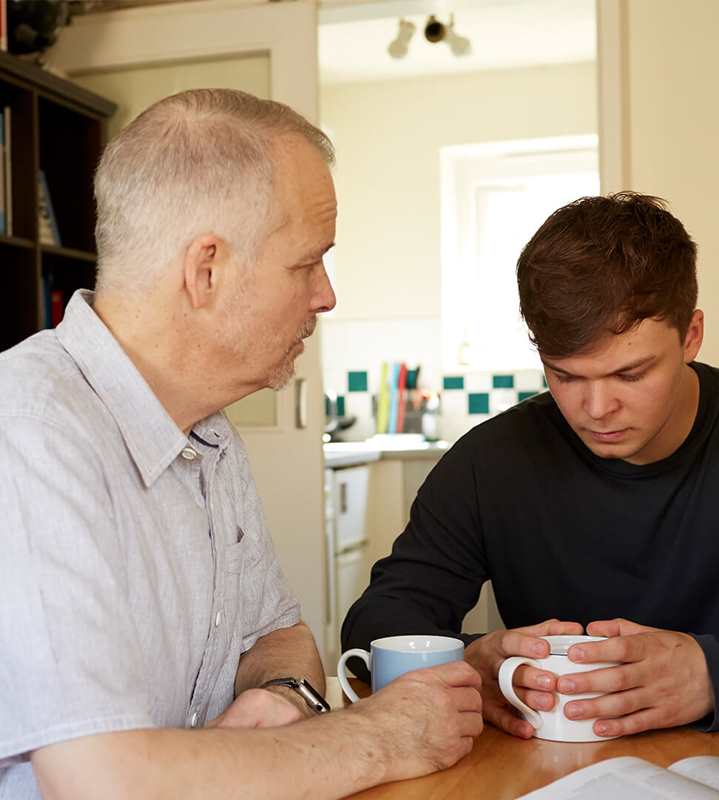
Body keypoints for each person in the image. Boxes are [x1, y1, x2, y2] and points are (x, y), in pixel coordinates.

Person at [0, 89, 483, 800]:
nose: (326, 296)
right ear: (207, 271)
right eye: (306, 264)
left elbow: (278, 637)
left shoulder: (207, 429)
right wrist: (379, 735)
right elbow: (101, 782)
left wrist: (285, 695)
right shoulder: (31, 432)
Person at [342, 192, 719, 740]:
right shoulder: (491, 461)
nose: (597, 409)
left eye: (630, 375)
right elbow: (378, 621)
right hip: (550, 768)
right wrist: (467, 667)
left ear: (692, 336)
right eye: (565, 376)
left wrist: (714, 678)